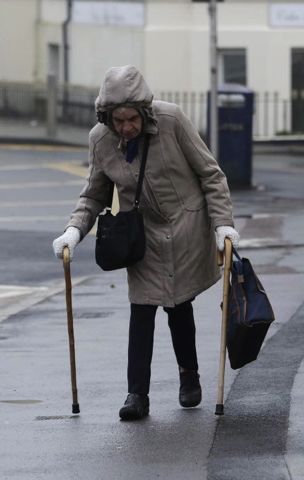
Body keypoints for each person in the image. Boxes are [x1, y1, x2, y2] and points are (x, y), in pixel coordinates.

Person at [52, 65, 239, 421]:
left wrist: (223, 226)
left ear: (144, 111)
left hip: (186, 225)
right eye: (118, 120)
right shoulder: (101, 140)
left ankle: (189, 377)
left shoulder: (172, 121)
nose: (126, 127)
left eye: (131, 119)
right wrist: (74, 231)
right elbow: (93, 195)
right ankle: (137, 394)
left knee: (178, 304)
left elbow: (211, 175)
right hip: (143, 235)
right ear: (107, 117)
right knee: (142, 309)